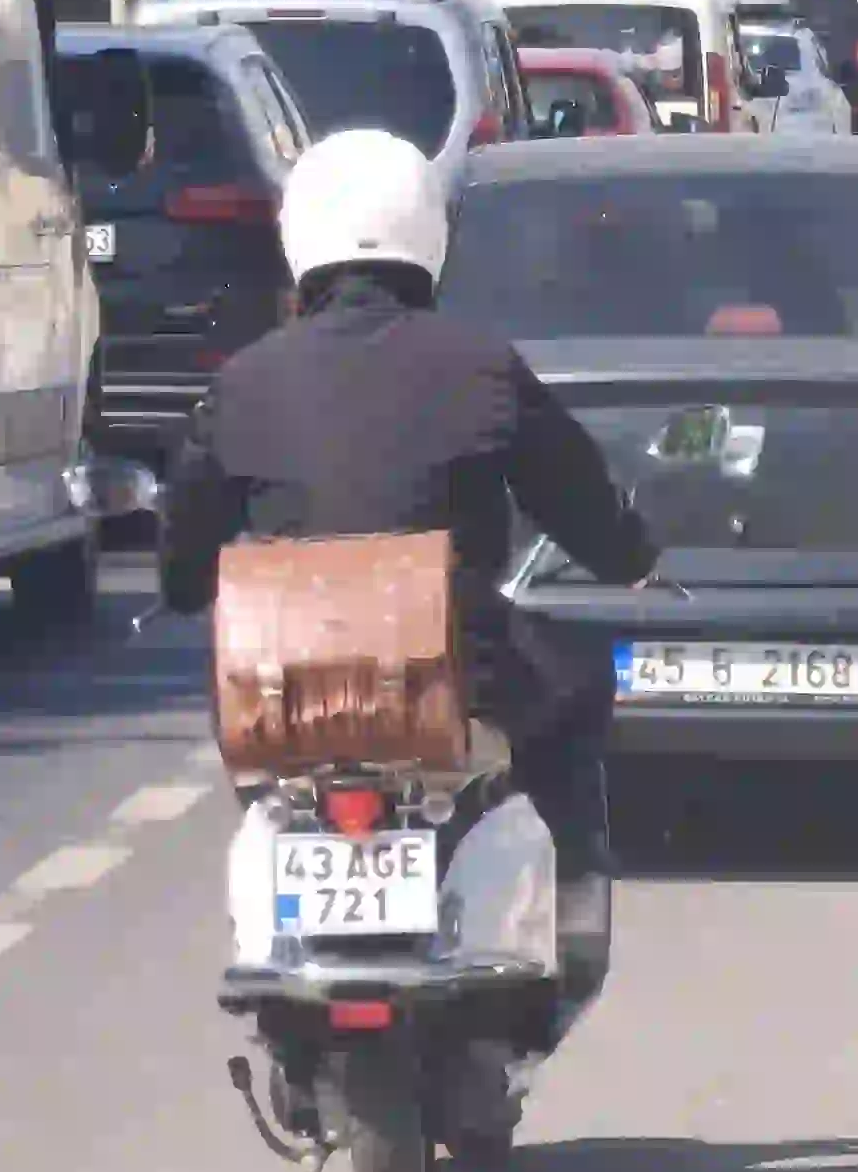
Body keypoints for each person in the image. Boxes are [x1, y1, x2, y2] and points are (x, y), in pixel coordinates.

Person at [155, 128, 659, 913]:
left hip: (282, 687)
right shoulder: (481, 366)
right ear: (429, 235)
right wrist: (632, 558)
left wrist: (184, 584)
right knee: (583, 683)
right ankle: (576, 898)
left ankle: (294, 877)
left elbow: (185, 549)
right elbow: (579, 498)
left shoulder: (244, 381)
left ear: (299, 236)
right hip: (458, 669)